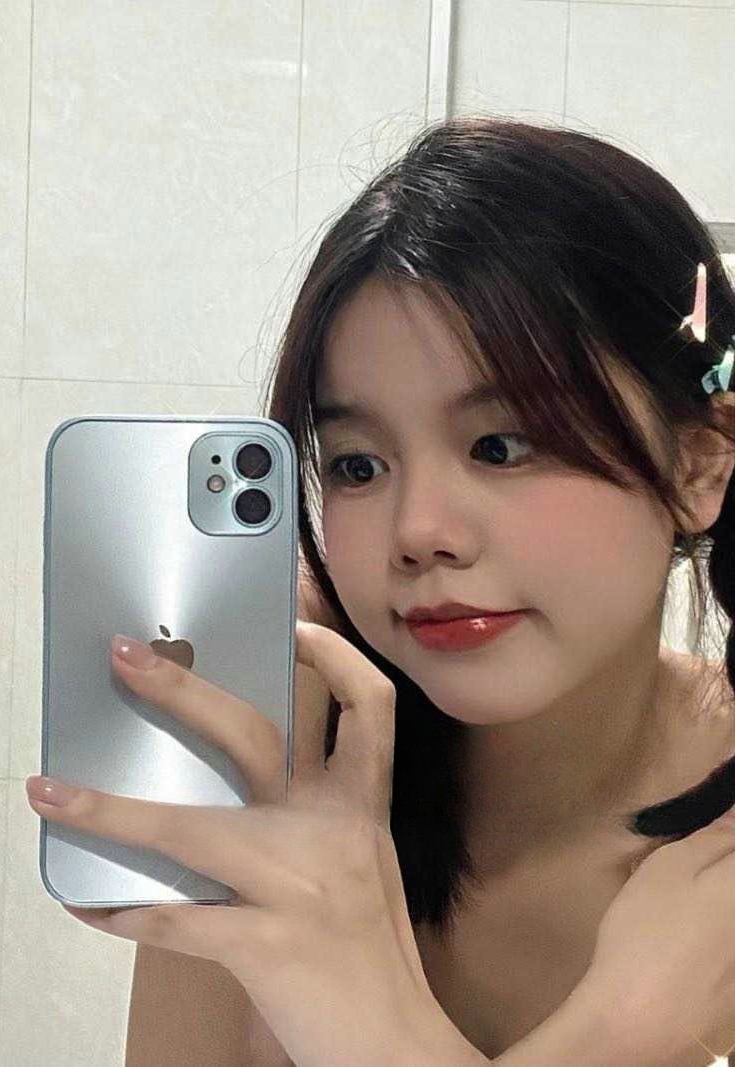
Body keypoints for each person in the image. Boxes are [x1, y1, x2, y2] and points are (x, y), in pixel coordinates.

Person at [261, 115, 735, 1063]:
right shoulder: (279, 794)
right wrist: (616, 1036)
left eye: (500, 446)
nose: (417, 532)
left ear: (697, 466)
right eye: (357, 465)